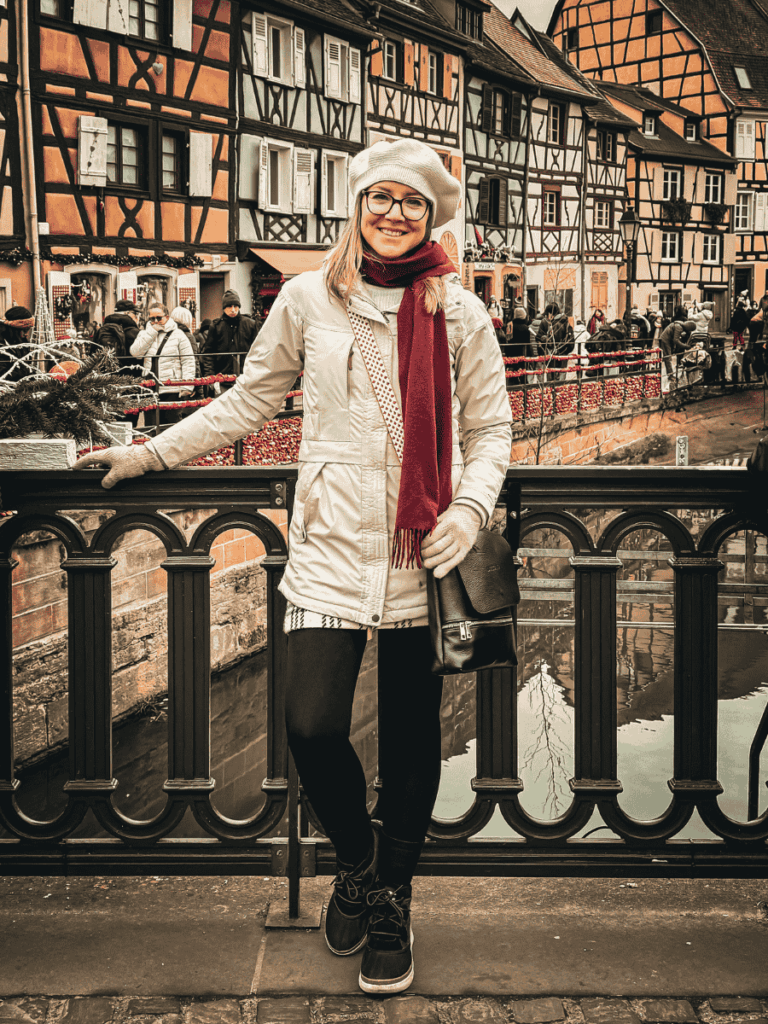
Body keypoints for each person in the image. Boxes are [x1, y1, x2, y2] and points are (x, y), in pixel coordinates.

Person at [74, 138, 513, 995]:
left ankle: (391, 897)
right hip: (329, 547)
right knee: (310, 724)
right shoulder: (310, 298)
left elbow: (490, 430)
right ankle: (356, 863)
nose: (394, 214)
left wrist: (469, 508)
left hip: (426, 553)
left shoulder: (458, 314)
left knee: (413, 741)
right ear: (358, 208)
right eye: (381, 198)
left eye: (412, 204)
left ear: (431, 217)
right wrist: (153, 454)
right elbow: (249, 398)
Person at [129, 303, 196, 425]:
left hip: (172, 388)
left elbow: (188, 360)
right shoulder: (145, 333)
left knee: (171, 427)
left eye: (159, 318)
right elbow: (136, 352)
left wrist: (187, 386)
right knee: (151, 426)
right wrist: (152, 332)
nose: (155, 321)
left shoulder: (178, 335)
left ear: (167, 316)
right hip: (150, 388)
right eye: (152, 318)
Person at [201, 289, 259, 385]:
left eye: (236, 306)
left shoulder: (250, 324)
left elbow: (257, 351)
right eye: (229, 306)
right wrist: (211, 378)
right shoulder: (216, 326)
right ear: (224, 307)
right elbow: (209, 354)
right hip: (222, 379)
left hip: (246, 378)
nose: (233, 309)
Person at [93, 299, 141, 368]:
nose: (136, 316)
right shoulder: (134, 332)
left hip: (106, 374)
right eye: (135, 313)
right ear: (127, 313)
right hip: (129, 373)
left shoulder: (101, 330)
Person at [0, 305, 35, 380]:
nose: (26, 333)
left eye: (28, 330)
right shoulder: (2, 345)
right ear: (14, 329)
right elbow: (3, 374)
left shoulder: (22, 342)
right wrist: (26, 373)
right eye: (25, 330)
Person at [659, 318, 696, 388]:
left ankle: (670, 374)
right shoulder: (679, 327)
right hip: (665, 340)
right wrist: (686, 346)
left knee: (668, 358)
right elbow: (676, 340)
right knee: (668, 358)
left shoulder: (680, 325)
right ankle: (670, 375)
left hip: (667, 339)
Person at [507, 306, 532, 383]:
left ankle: (513, 384)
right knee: (522, 372)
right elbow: (528, 343)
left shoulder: (510, 325)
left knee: (512, 372)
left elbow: (507, 340)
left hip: (511, 353)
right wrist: (530, 355)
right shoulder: (525, 328)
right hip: (522, 353)